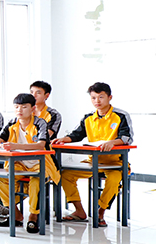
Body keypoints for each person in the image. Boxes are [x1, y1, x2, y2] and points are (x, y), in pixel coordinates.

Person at [52, 82, 134, 226]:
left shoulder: (121, 115)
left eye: (101, 97)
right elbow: (77, 134)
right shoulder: (88, 117)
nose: (97, 101)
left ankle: (100, 212)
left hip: (116, 163)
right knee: (65, 175)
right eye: (93, 98)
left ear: (110, 97)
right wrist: (64, 139)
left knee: (114, 180)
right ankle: (79, 211)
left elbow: (127, 137)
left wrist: (112, 142)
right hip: (93, 161)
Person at [0, 93, 59, 234]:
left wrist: (15, 146)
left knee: (36, 180)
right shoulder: (12, 123)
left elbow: (41, 145)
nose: (19, 110)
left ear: (33, 108)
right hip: (19, 163)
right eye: (16, 107)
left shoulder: (40, 123)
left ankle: (33, 216)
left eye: (24, 107)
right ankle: (15, 213)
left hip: (40, 162)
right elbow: (0, 137)